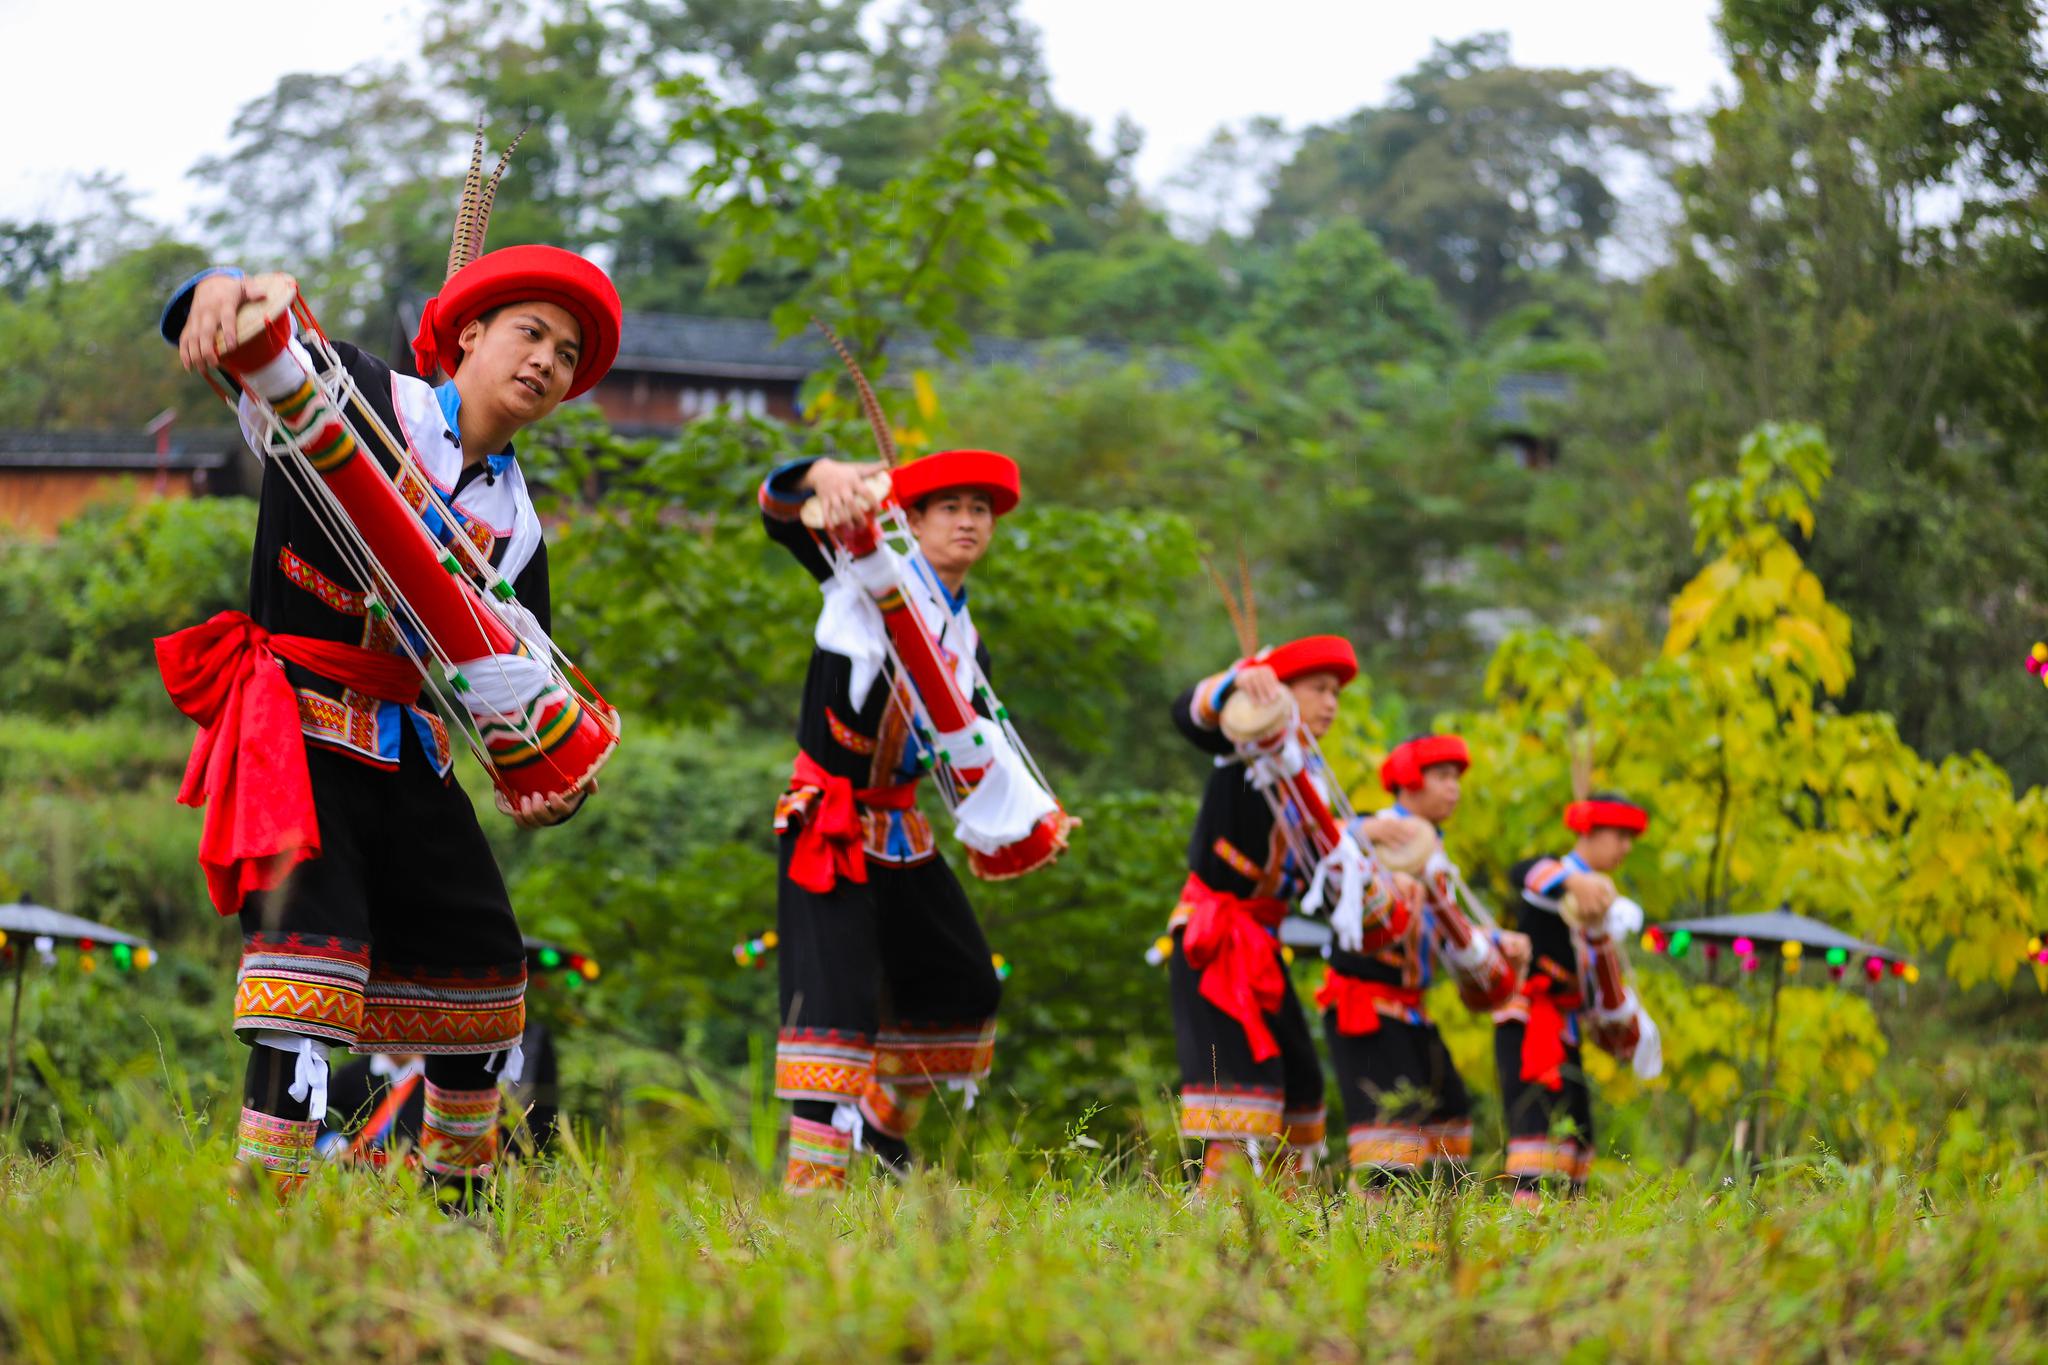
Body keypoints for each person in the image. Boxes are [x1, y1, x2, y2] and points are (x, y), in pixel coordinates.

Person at [153, 132, 621, 1201]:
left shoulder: (520, 528)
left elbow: (516, 698)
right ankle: (267, 1201)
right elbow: (242, 341)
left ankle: (459, 1204)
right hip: (298, 730)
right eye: (529, 333)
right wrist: (214, 293)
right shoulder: (361, 396)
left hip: (412, 752)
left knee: (485, 968)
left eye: (565, 355)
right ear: (467, 334)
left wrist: (551, 779)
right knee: (305, 966)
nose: (544, 362)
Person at [758, 449, 1021, 1192]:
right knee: (833, 1006)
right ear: (913, 520)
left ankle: (879, 1131)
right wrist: (820, 474)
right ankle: (814, 1197)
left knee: (967, 983)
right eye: (950, 508)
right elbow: (780, 514)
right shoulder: (861, 576)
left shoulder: (969, 644)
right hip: (830, 824)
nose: (967, 522)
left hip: (904, 831)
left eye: (979, 510)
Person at [1166, 636, 1383, 1194]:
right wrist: (1235, 683)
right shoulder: (1247, 743)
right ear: (1278, 692)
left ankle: (1284, 1213)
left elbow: (1327, 862)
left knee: (1301, 1080)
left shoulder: (1306, 773)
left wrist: (1373, 839)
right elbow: (1189, 714)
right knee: (1240, 1080)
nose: (1331, 703)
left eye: (1337, 693)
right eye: (1319, 689)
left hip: (1261, 943)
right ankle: (1216, 1216)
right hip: (1213, 939)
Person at [1318, 734, 1529, 1193]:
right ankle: (1372, 1225)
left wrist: (1496, 941)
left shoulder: (1434, 851)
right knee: (1390, 1133)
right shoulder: (1371, 830)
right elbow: (1319, 846)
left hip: (1411, 1010)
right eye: (1443, 776)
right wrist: (1363, 830)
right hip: (1365, 1006)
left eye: (1457, 778)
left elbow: (1443, 928)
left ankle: (1435, 1227)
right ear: (1410, 779)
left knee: (1449, 1113)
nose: (1454, 788)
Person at [1495, 793, 1651, 1200]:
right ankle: (1522, 1224)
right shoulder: (1556, 878)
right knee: (1536, 1129)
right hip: (1530, 1024)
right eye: (1619, 835)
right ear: (1590, 832)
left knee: (1576, 1134)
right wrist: (1576, 882)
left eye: (1631, 839)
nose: (1626, 848)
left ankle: (1565, 1228)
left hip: (1566, 1028)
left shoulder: (1603, 904)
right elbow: (1524, 872)